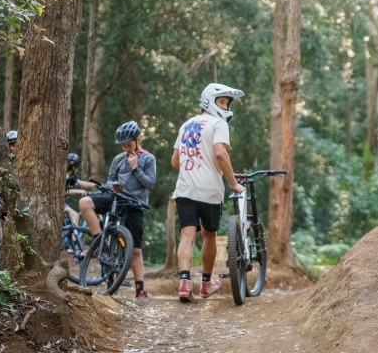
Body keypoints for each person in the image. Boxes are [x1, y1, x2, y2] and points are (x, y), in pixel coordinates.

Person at [171, 83, 245, 302]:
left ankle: (184, 282)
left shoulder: (186, 125)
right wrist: (233, 183)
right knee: (209, 235)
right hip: (209, 191)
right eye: (221, 102)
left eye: (226, 103)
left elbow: (175, 161)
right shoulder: (218, 124)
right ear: (209, 102)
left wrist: (193, 162)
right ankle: (205, 284)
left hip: (184, 189)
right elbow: (220, 154)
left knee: (187, 236)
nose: (225, 107)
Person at [78, 121, 156, 300]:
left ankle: (140, 290)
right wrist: (112, 185)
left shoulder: (148, 159)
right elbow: (110, 180)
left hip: (134, 204)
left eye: (129, 145)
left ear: (138, 140)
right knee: (85, 203)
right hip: (115, 198)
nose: (126, 149)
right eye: (123, 146)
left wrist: (136, 168)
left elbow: (150, 184)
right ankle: (101, 243)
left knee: (135, 250)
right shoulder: (118, 159)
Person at [64, 153, 97, 227]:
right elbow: (61, 192)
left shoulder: (70, 177)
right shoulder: (61, 176)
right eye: (76, 167)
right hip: (54, 203)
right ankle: (73, 235)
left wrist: (97, 185)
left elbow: (82, 183)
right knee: (75, 216)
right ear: (72, 166)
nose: (77, 169)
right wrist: (78, 191)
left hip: (62, 203)